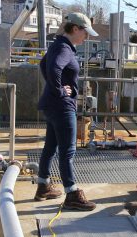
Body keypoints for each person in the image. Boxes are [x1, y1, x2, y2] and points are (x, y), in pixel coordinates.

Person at [34, 12, 98, 211]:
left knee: (50, 147)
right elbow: (53, 69)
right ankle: (72, 193)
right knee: (67, 152)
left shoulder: (58, 44)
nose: (86, 37)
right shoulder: (65, 49)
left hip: (52, 106)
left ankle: (43, 185)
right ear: (76, 29)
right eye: (85, 33)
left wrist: (55, 89)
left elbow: (43, 64)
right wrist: (61, 90)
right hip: (62, 107)